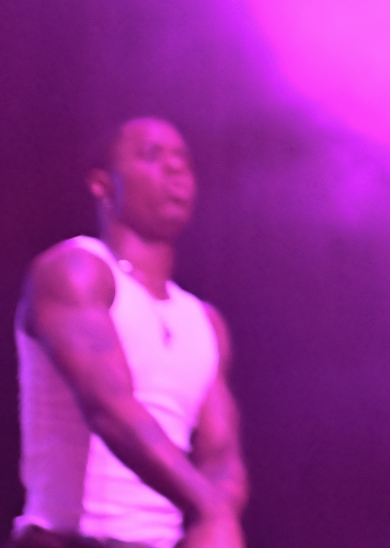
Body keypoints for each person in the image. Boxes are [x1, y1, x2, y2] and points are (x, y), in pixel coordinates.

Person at [12, 119, 247, 548]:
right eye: (152, 156)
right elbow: (110, 408)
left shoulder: (204, 320)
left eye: (184, 160)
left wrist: (217, 514)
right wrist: (208, 508)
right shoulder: (77, 268)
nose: (176, 169)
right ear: (103, 185)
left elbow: (221, 456)